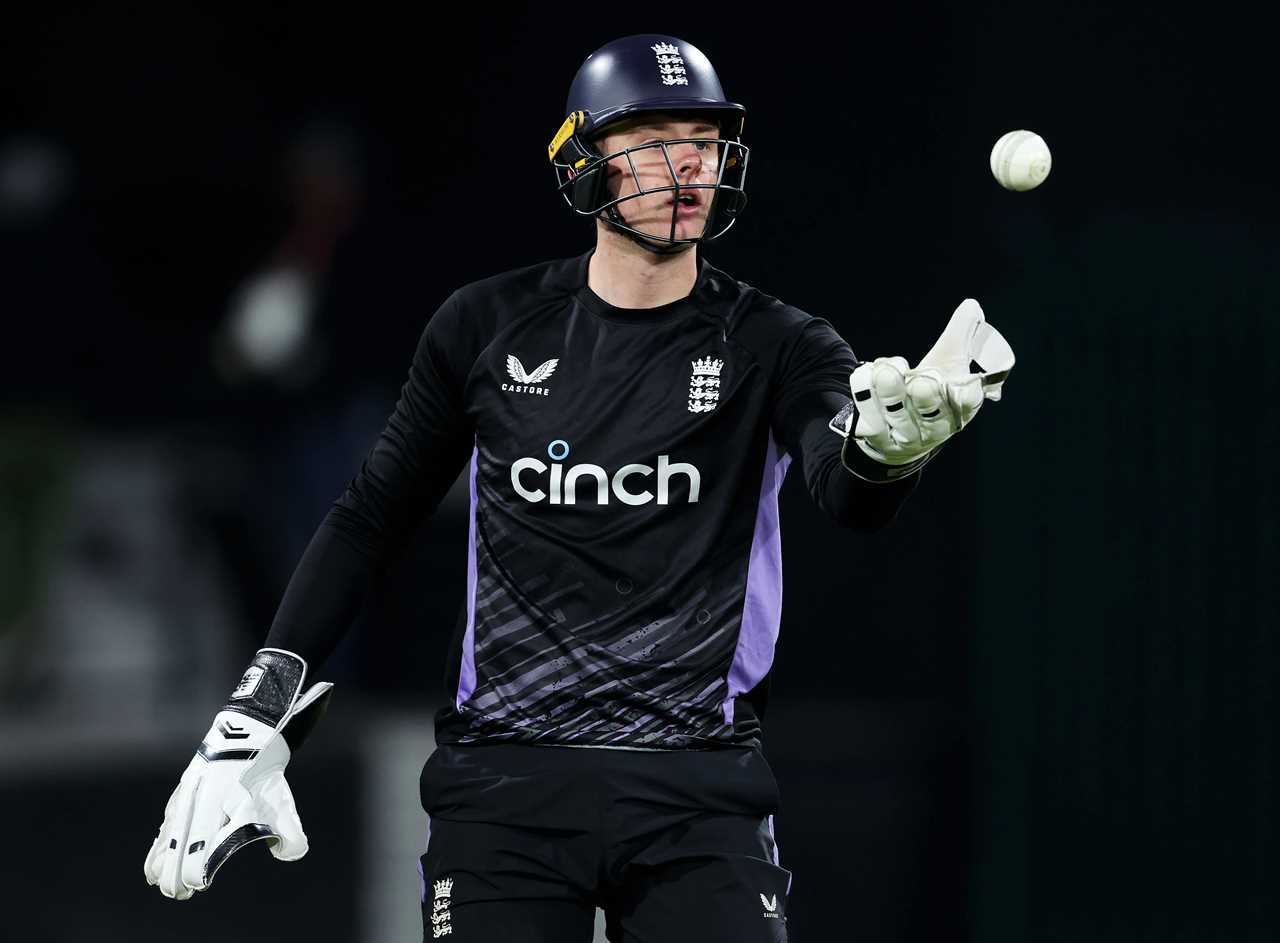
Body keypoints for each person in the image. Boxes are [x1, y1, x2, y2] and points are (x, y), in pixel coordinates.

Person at [143, 33, 1014, 942]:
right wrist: (255, 713)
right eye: (650, 141)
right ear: (584, 159)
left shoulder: (778, 342)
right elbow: (371, 516)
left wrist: (889, 449)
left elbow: (850, 494)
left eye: (704, 144)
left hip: (698, 792)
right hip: (503, 790)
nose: (685, 167)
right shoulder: (484, 324)